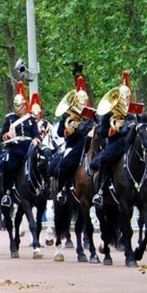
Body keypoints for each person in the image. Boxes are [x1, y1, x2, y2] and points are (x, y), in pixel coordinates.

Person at [90, 76, 137, 209]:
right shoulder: (109, 115)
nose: (125, 101)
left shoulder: (132, 115)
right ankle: (100, 192)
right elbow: (102, 132)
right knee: (104, 160)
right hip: (115, 144)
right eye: (123, 98)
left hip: (130, 144)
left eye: (127, 98)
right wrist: (113, 128)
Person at [0, 81, 41, 208]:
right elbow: (2, 136)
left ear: (24, 105)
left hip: (29, 145)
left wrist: (36, 140)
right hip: (15, 146)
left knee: (43, 160)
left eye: (20, 106)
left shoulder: (31, 119)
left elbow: (36, 134)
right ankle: (7, 192)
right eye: (16, 106)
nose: (18, 108)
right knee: (8, 164)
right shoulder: (10, 118)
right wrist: (8, 136)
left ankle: (43, 186)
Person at [53, 76, 95, 204]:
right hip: (73, 145)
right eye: (80, 100)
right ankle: (61, 190)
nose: (82, 103)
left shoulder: (91, 114)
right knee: (64, 164)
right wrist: (69, 129)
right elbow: (60, 132)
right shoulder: (68, 114)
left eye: (84, 100)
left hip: (89, 144)